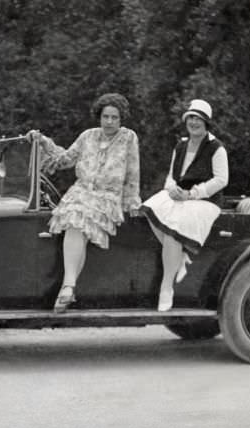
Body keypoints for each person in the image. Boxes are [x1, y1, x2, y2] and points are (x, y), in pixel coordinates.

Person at [26, 93, 141, 312]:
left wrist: (132, 202)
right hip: (80, 193)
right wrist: (42, 141)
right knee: (76, 222)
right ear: (99, 116)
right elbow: (64, 159)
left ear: (121, 118)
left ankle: (68, 287)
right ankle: (68, 287)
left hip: (107, 196)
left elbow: (133, 172)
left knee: (79, 219)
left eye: (114, 117)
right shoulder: (88, 136)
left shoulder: (129, 138)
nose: (109, 122)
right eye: (105, 116)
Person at [141, 99, 229, 311]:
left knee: (173, 228)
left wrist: (192, 194)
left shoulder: (216, 148)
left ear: (206, 122)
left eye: (198, 119)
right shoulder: (181, 145)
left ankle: (166, 287)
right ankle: (179, 257)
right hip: (180, 195)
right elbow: (172, 176)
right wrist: (172, 189)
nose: (193, 122)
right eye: (190, 117)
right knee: (149, 208)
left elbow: (221, 180)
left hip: (204, 201)